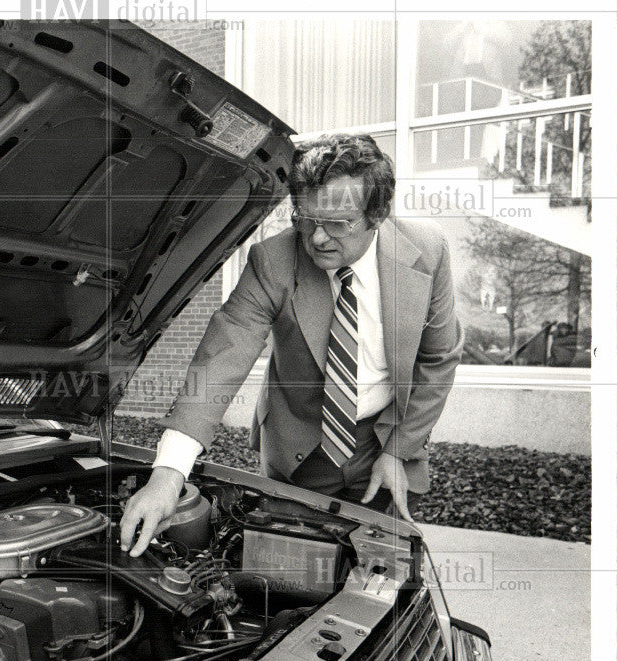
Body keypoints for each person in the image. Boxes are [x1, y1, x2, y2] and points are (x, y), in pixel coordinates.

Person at [119, 133, 464, 557]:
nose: (317, 239)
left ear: (378, 215)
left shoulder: (428, 250)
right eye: (306, 218)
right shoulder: (272, 260)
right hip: (300, 445)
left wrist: (399, 450)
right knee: (289, 571)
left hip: (385, 437)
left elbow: (438, 359)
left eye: (337, 224)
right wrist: (168, 474)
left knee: (382, 573)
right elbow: (222, 357)